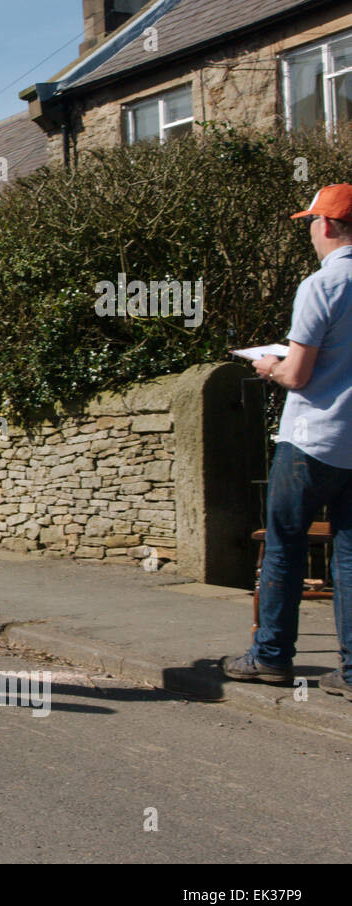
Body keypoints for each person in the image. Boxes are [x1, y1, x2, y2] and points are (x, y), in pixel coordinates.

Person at [224, 183, 352, 699]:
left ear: (325, 226)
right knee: (349, 555)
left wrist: (269, 365)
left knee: (284, 547)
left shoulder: (321, 286)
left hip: (312, 438)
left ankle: (271, 656)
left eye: (311, 225)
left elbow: (297, 375)